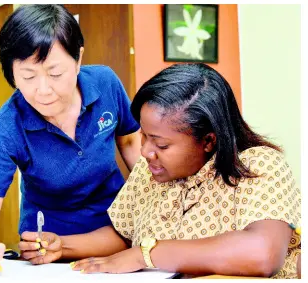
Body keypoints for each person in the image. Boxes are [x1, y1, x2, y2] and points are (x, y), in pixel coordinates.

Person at [40, 63, 299, 278]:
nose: (145, 152)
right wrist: (62, 246)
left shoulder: (258, 165)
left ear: (208, 141)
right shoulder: (150, 169)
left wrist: (148, 254)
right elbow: (124, 234)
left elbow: (263, 253)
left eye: (161, 144)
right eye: (144, 136)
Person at [0, 4, 141, 277]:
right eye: (28, 76)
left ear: (78, 59)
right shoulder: (6, 128)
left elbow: (129, 141)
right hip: (50, 248)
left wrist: (148, 201)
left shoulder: (106, 83)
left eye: (55, 74)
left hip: (118, 231)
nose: (43, 90)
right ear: (12, 74)